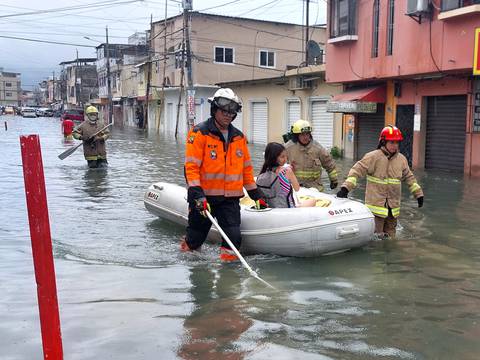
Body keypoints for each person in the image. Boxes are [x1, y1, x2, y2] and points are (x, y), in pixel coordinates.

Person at [182, 88, 267, 261]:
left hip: (230, 199)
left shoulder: (239, 137)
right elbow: (191, 168)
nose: (228, 115)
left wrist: (256, 195)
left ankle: (228, 278)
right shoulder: (199, 133)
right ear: (215, 109)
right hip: (204, 199)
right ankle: (190, 264)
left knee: (233, 238)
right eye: (224, 111)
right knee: (195, 238)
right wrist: (197, 196)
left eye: (232, 112)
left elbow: (246, 170)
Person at [337, 125, 424, 239]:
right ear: (383, 142)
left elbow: (410, 178)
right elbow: (356, 171)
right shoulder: (372, 157)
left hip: (393, 210)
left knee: (391, 239)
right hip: (375, 209)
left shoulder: (401, 159)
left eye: (397, 143)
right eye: (392, 142)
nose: (395, 146)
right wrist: (345, 188)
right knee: (375, 239)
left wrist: (419, 195)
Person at [256, 142, 316, 208]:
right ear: (274, 157)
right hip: (287, 209)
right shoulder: (287, 171)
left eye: (286, 156)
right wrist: (292, 173)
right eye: (282, 157)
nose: (285, 159)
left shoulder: (263, 173)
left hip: (271, 208)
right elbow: (297, 188)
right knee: (313, 201)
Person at [285, 119, 338, 192]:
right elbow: (278, 165)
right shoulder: (288, 148)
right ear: (296, 135)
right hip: (295, 188)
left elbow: (329, 164)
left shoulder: (318, 148)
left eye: (307, 134)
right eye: (302, 134)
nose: (306, 137)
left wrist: (333, 180)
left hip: (315, 189)